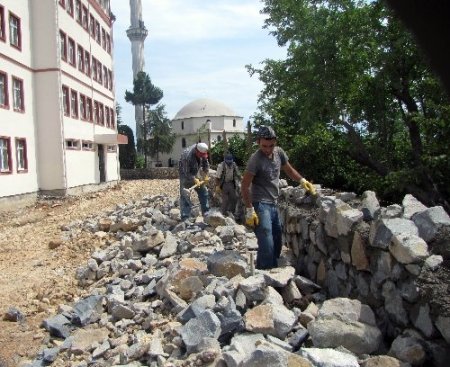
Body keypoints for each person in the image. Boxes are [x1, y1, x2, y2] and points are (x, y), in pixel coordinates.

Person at [241, 125, 316, 270]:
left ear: (275, 142)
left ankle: (272, 269)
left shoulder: (279, 153)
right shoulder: (255, 159)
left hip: (273, 203)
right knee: (266, 238)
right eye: (264, 146)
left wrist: (302, 181)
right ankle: (266, 272)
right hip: (260, 204)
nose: (268, 149)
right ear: (258, 142)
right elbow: (244, 185)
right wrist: (250, 209)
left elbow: (289, 169)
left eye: (271, 145)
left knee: (277, 240)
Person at [178, 142, 210, 220]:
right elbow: (186, 172)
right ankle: (185, 217)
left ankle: (206, 213)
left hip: (195, 171)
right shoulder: (187, 155)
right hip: (185, 175)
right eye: (201, 155)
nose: (202, 157)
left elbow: (205, 163)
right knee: (185, 195)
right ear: (196, 151)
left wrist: (206, 174)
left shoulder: (202, 151)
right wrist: (194, 179)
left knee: (204, 192)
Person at [215, 153, 241, 217]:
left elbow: (238, 174)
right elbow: (217, 177)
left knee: (234, 198)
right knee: (225, 200)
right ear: (225, 160)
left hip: (232, 183)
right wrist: (217, 186)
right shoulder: (221, 165)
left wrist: (243, 180)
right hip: (224, 184)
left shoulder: (234, 164)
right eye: (228, 161)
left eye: (230, 161)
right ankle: (222, 213)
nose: (229, 162)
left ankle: (231, 212)